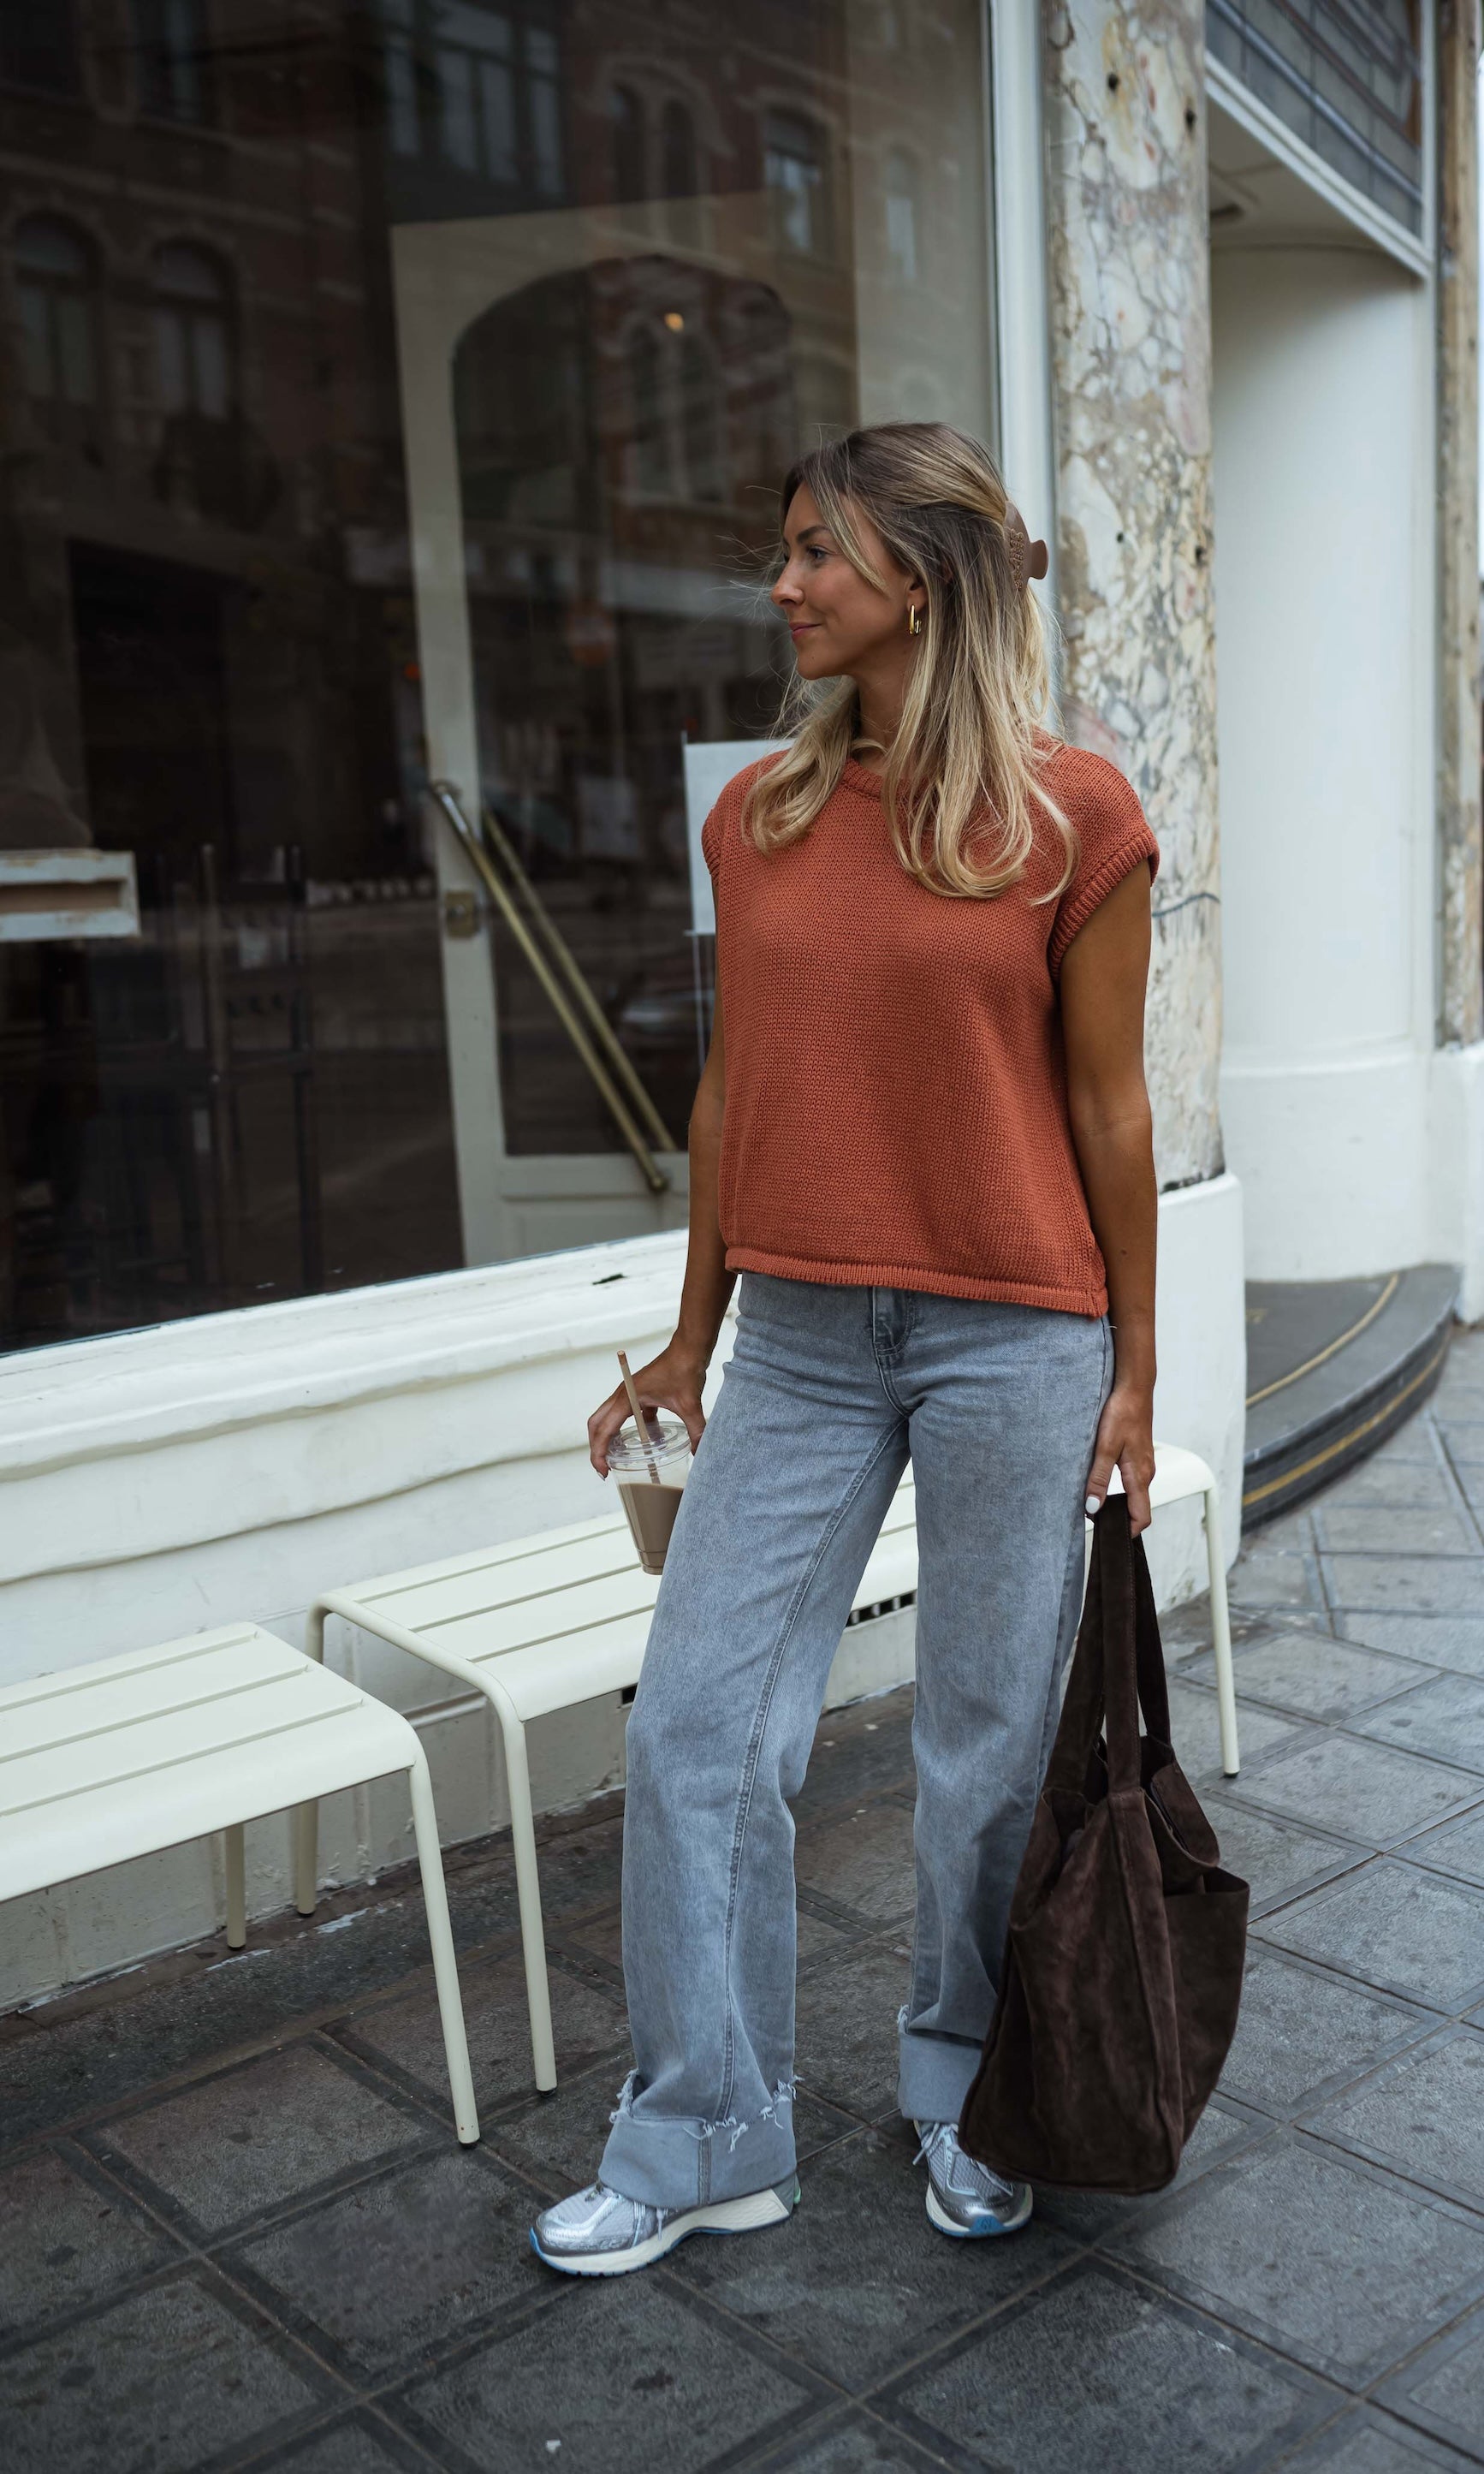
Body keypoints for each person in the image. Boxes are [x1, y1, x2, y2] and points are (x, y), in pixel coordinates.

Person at [531, 422, 1160, 2276]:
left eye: (815, 551)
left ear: (921, 579)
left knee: (980, 1742)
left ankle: (965, 2086)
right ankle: (703, 2127)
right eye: (785, 548)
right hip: (799, 1333)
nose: (783, 581)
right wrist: (686, 1334)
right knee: (703, 1729)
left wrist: (1136, 1374)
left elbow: (1111, 1111)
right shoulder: (766, 814)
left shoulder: (1074, 816)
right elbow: (735, 1091)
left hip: (1018, 1334)